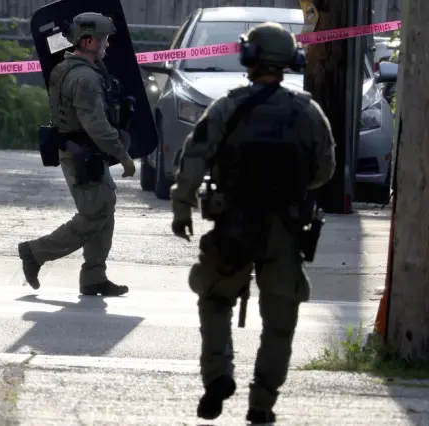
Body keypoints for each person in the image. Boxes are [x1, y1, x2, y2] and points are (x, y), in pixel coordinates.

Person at [170, 21, 337, 424]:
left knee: (214, 299)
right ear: (288, 62)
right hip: (285, 229)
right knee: (280, 321)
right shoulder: (308, 111)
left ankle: (217, 375)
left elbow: (194, 159)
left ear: (248, 58)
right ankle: (261, 405)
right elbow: (325, 169)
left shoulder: (227, 106)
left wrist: (182, 206)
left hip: (232, 226)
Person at [18, 12, 135, 297]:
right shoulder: (83, 77)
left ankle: (94, 276)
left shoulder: (74, 68)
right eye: (102, 38)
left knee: (103, 209)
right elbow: (94, 123)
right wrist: (123, 155)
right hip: (83, 153)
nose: (107, 43)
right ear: (86, 40)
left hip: (85, 152)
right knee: (95, 213)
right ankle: (35, 252)